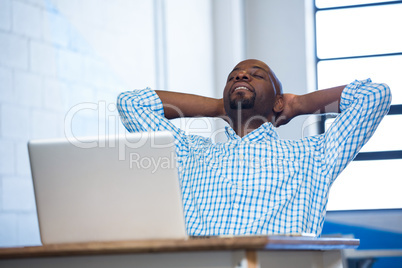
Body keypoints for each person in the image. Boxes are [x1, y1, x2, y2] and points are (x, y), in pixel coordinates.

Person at [117, 59, 391, 236]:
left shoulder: (314, 156)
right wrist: (218, 107)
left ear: (278, 102)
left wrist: (297, 105)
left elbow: (374, 95)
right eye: (233, 77)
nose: (241, 77)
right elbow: (131, 104)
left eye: (255, 75)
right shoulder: (190, 153)